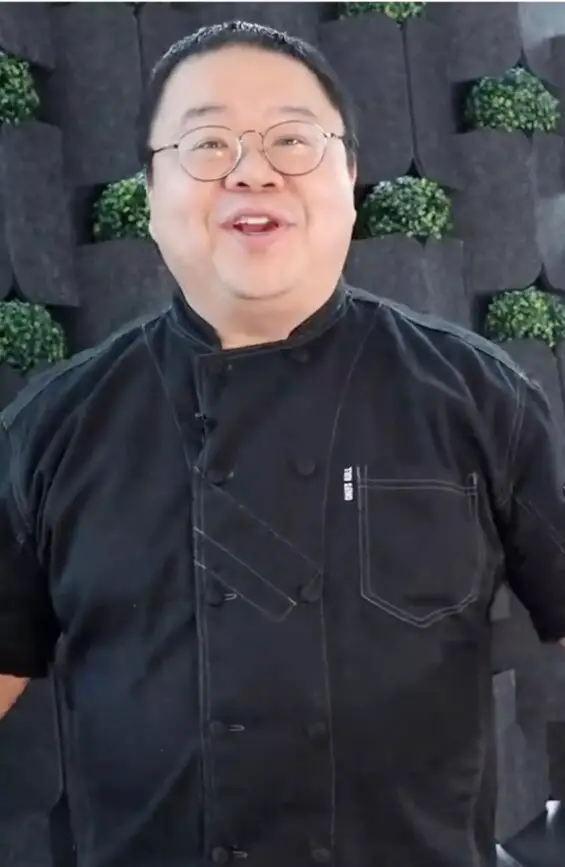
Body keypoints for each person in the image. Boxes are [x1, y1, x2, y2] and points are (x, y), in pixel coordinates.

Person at [1, 18, 565, 867]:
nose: (251, 170)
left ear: (350, 178)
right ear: (149, 194)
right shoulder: (55, 425)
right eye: (206, 144)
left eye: (292, 140)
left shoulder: (476, 397)